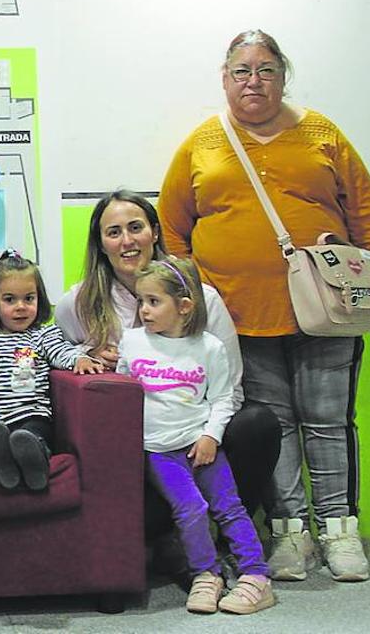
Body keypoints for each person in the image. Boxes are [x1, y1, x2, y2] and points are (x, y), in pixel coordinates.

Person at [158, 29, 370, 583]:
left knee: (329, 422)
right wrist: (190, 303)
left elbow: (367, 213)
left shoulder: (321, 133)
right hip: (241, 318)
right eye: (242, 71)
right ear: (225, 78)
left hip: (328, 312)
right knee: (276, 426)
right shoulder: (203, 142)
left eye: (265, 69)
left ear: (283, 76)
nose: (254, 81)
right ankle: (291, 534)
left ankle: (339, 530)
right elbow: (172, 228)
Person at [53, 190, 280, 537]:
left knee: (257, 424)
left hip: (199, 434)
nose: (127, 241)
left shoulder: (203, 298)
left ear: (155, 232)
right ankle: (171, 535)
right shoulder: (78, 303)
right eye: (113, 233)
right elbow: (52, 349)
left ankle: (226, 529)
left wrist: (203, 436)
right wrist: (85, 357)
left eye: (135, 227)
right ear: (100, 244)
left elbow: (231, 392)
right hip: (138, 446)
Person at [116, 258, 275, 615]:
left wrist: (211, 437)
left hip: (199, 445)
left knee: (228, 506)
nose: (144, 310)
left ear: (184, 306)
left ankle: (255, 575)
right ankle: (206, 573)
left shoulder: (210, 348)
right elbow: (120, 394)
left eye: (154, 301)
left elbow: (222, 399)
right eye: (141, 301)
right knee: (190, 508)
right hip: (157, 451)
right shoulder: (131, 342)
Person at [0, 251, 104, 492]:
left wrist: (80, 359)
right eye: (10, 299)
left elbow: (61, 351)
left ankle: (35, 460)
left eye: (29, 298)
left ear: (40, 299)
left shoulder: (43, 335)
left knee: (30, 435)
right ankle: (3, 467)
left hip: (32, 415)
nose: (21, 307)